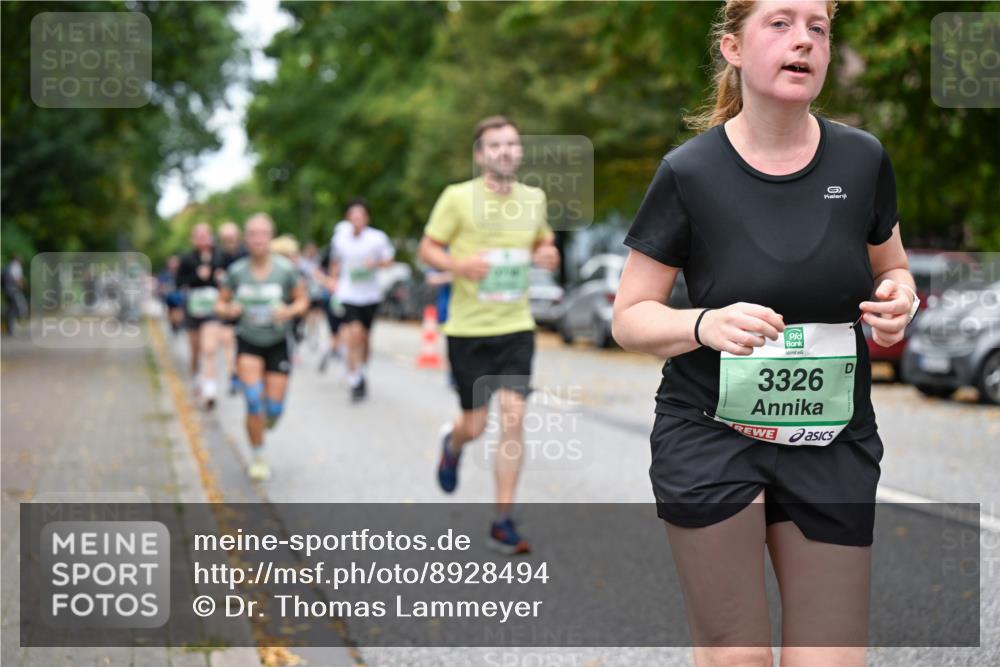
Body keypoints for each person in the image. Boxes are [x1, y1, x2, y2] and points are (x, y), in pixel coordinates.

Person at [611, 2, 918, 665]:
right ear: (732, 48)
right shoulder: (690, 173)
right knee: (736, 653)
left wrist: (901, 297)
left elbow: (892, 267)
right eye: (780, 23)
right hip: (710, 433)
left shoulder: (863, 161)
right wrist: (703, 323)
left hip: (830, 436)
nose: (803, 39)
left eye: (818, 27)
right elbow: (630, 315)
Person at [417, 115, 560, 555]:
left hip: (515, 325)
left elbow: (544, 242)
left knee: (514, 418)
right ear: (480, 155)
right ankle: (453, 442)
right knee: (476, 425)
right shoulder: (457, 198)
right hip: (468, 329)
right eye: (495, 145)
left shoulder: (533, 198)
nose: (505, 151)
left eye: (512, 144)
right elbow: (427, 248)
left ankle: (502, 520)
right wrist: (459, 266)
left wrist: (548, 254)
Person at [216, 214, 308, 481]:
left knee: (274, 410)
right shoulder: (237, 272)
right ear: (247, 238)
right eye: (253, 234)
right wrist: (229, 309)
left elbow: (303, 300)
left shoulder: (285, 270)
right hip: (248, 341)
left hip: (278, 342)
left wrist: (289, 311)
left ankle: (267, 422)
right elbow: (219, 304)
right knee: (254, 400)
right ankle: (258, 455)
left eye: (263, 233)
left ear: (271, 237)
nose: (258, 239)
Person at [328, 200, 395, 401]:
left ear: (367, 218)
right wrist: (333, 282)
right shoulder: (340, 239)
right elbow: (335, 262)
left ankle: (362, 371)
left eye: (360, 215)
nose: (356, 219)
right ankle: (354, 377)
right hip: (348, 294)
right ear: (348, 218)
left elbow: (388, 260)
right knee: (354, 334)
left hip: (370, 295)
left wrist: (374, 263)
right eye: (352, 215)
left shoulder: (377, 238)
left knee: (365, 338)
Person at [176, 224, 225, 408]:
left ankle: (210, 390)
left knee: (209, 348)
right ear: (193, 239)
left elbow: (229, 279)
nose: (203, 239)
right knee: (196, 350)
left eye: (206, 235)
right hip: (194, 308)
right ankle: (196, 376)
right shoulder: (187, 258)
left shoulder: (220, 256)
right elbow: (179, 282)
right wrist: (196, 276)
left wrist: (219, 276)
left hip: (213, 309)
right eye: (199, 236)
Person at [217, 221, 247, 395]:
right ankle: (233, 374)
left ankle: (242, 372)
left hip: (246, 303)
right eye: (226, 238)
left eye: (232, 237)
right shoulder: (217, 256)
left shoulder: (246, 254)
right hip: (227, 304)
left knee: (242, 341)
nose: (229, 241)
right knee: (228, 340)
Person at [157, 255, 184, 334]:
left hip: (180, 298)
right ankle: (174, 325)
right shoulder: (165, 275)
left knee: (179, 313)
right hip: (169, 299)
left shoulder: (182, 274)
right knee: (172, 313)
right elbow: (161, 287)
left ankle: (178, 325)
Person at [2, 254, 27, 336]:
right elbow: (18, 279)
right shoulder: (16, 266)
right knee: (18, 307)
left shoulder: (8, 266)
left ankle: (10, 327)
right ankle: (18, 323)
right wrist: (23, 284)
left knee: (10, 309)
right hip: (14, 291)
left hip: (7, 291)